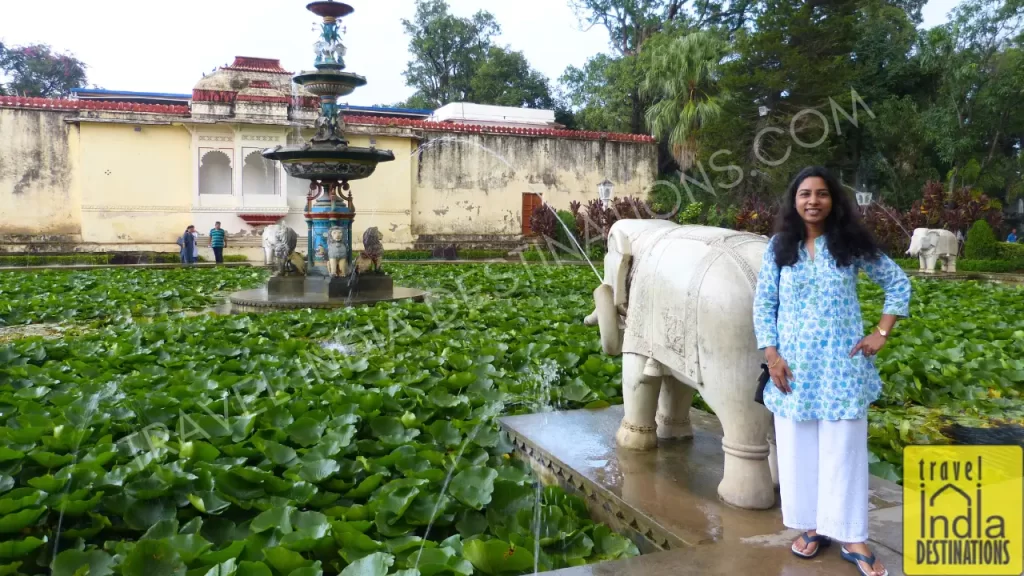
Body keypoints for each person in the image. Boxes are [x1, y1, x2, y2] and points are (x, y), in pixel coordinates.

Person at [753, 166, 910, 576]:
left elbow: (898, 283)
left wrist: (881, 331)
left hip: (841, 368)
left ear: (833, 200)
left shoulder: (849, 245)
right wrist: (772, 356)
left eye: (822, 194)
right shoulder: (778, 248)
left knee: (844, 452)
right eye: (805, 193)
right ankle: (813, 525)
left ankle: (852, 536)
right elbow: (763, 304)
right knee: (797, 452)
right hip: (793, 370)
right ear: (794, 200)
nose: (813, 201)